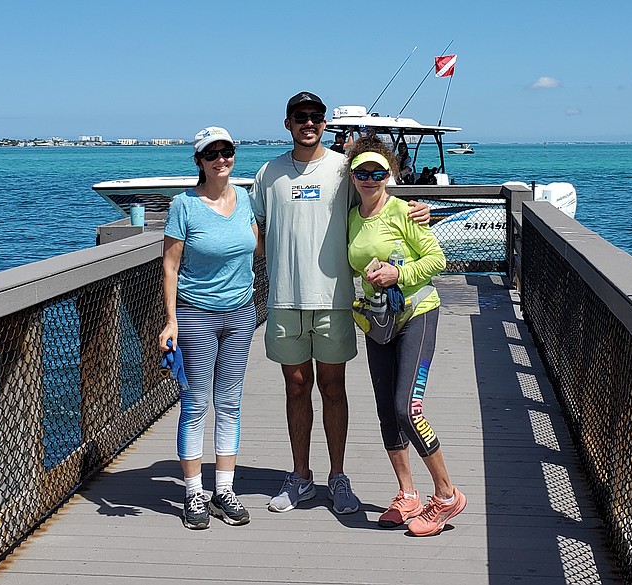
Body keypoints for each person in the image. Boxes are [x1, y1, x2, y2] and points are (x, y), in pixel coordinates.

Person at [250, 91, 430, 516]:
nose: (308, 123)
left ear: (324, 123)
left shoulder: (341, 169)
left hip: (334, 301)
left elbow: (379, 202)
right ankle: (300, 477)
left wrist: (418, 209)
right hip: (283, 301)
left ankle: (337, 476)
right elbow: (253, 229)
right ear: (288, 123)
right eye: (300, 116)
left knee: (334, 388)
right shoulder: (268, 173)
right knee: (296, 388)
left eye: (315, 116)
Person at [345, 135, 467, 537]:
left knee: (406, 407)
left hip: (417, 314)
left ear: (388, 175)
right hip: (376, 321)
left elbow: (437, 259)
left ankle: (447, 495)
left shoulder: (405, 213)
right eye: (361, 172)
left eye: (377, 172)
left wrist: (399, 274)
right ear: (352, 174)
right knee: (385, 411)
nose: (368, 179)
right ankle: (407, 494)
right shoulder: (350, 216)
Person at [159, 126, 261, 530]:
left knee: (230, 402)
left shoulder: (246, 199)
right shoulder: (184, 205)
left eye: (227, 151)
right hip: (197, 314)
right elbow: (169, 266)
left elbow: (258, 247)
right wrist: (171, 321)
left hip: (241, 314)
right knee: (196, 402)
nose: (221, 159)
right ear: (199, 161)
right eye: (212, 153)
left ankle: (224, 489)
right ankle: (193, 494)